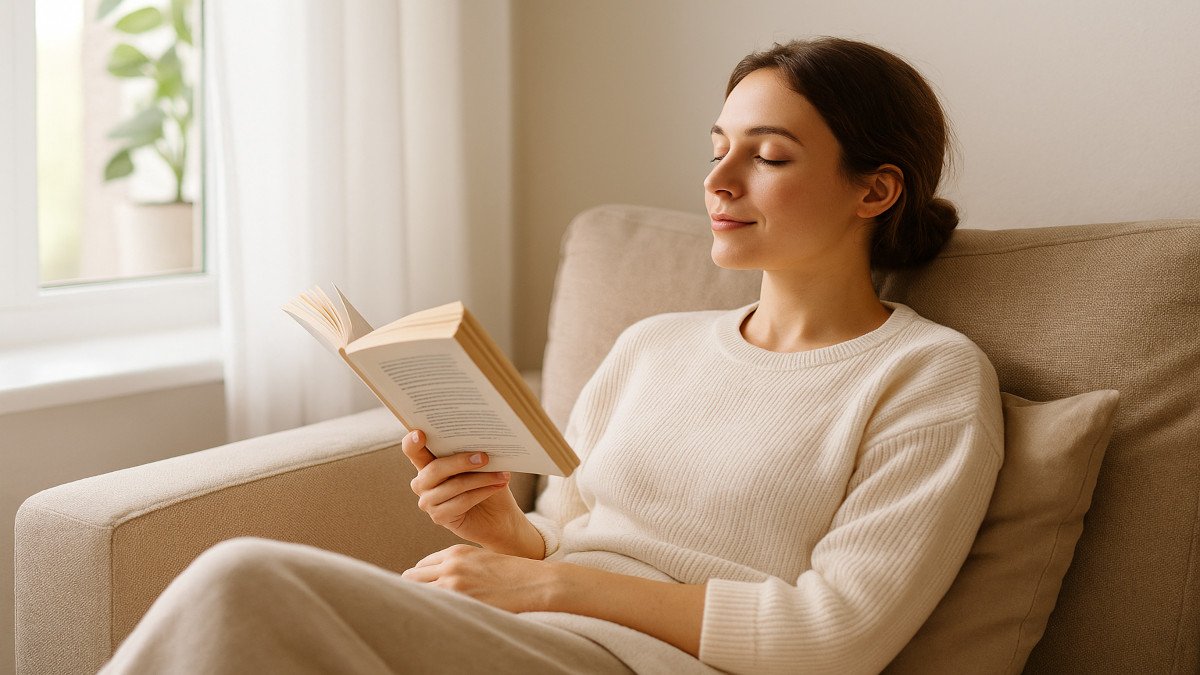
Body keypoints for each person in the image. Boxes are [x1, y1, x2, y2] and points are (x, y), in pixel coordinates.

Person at [101, 37, 1002, 674]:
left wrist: (543, 583)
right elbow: (563, 532)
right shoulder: (654, 345)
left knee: (244, 578)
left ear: (875, 189)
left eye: (767, 157)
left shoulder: (927, 378)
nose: (718, 182)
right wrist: (501, 530)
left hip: (636, 657)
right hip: (533, 629)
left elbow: (832, 637)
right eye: (719, 148)